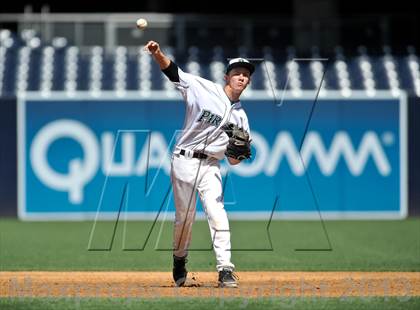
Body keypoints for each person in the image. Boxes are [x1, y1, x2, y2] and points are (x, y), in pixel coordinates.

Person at [145, 40, 255, 288]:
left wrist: (240, 151)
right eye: (237, 73)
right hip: (184, 159)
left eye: (246, 75)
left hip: (211, 167)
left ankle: (225, 269)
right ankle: (179, 259)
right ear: (227, 76)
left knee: (218, 214)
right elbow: (173, 72)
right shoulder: (203, 88)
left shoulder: (241, 118)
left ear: (248, 81)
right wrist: (157, 53)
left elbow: (233, 161)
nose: (241, 77)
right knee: (184, 219)